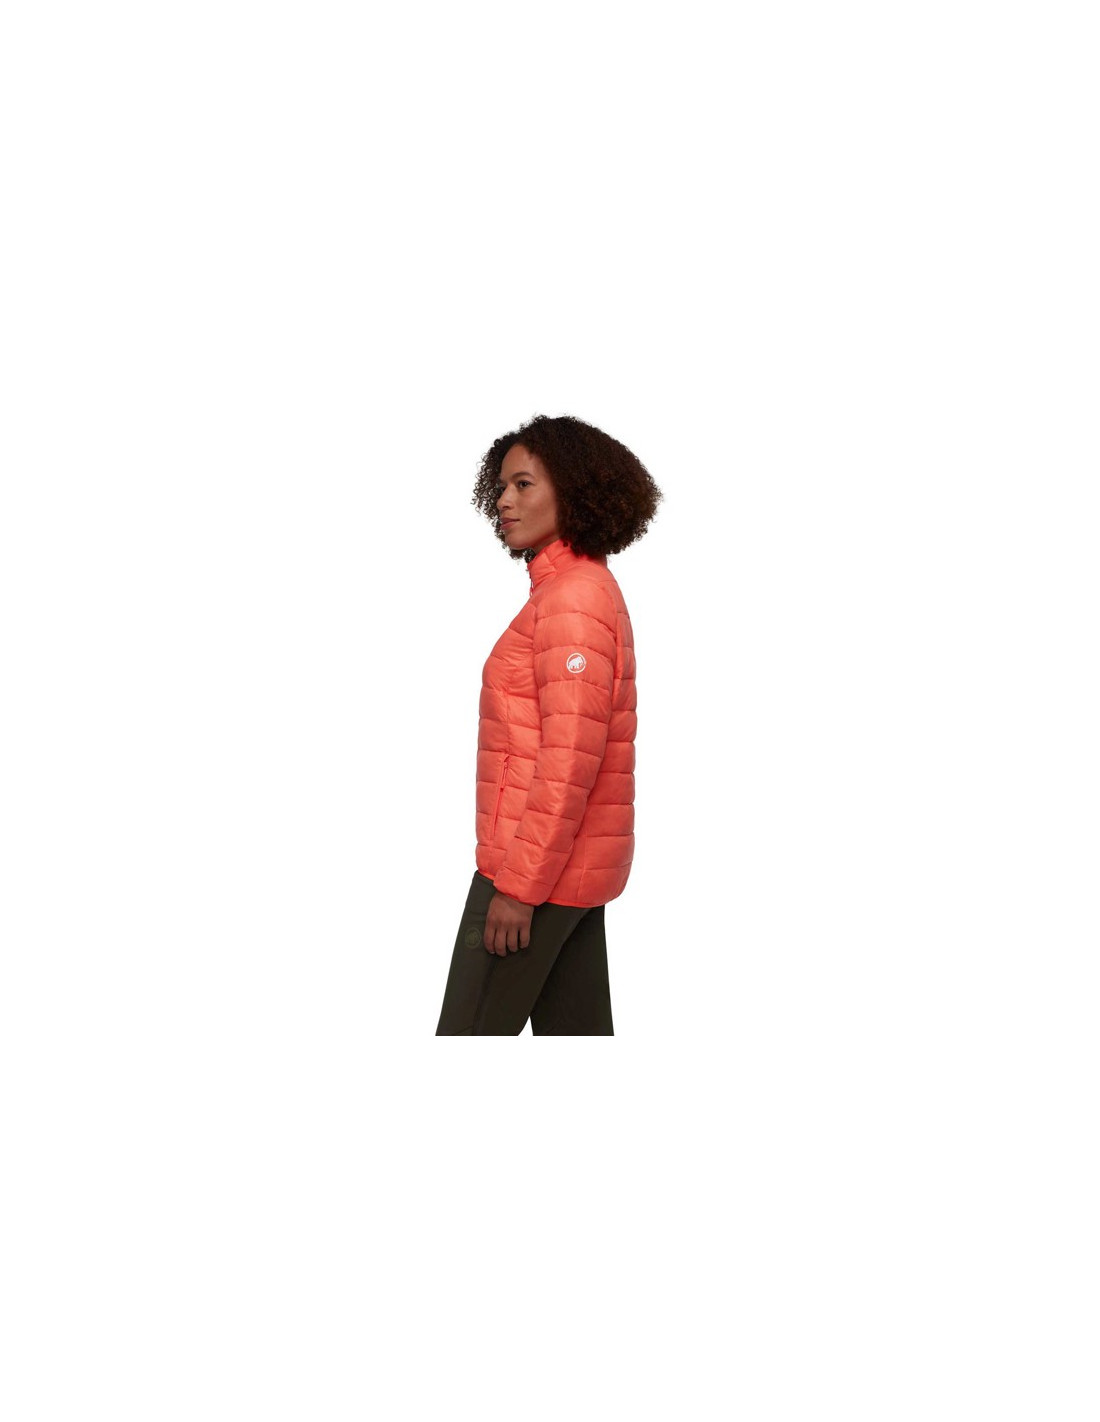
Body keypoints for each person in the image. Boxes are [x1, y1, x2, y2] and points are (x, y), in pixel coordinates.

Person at [435, 413, 662, 1035]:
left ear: (575, 492)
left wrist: (516, 890)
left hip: (532, 876)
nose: (503, 502)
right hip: (568, 875)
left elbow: (568, 762)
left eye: (524, 485)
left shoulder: (574, 599)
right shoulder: (571, 590)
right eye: (501, 486)